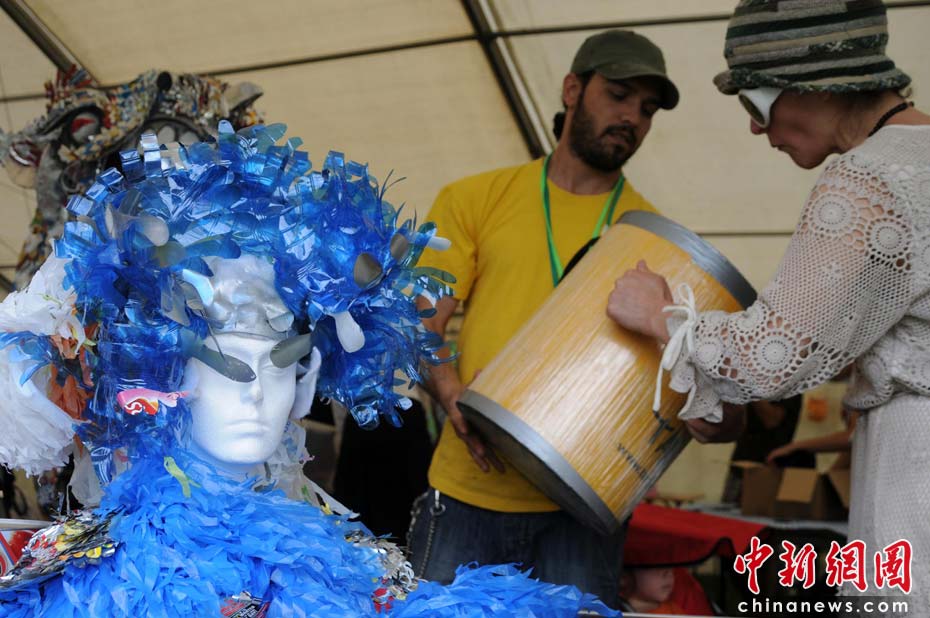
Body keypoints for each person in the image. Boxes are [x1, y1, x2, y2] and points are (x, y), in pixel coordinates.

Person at [0, 124, 618, 616]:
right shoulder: (110, 577)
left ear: (306, 386)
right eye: (230, 367)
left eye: (279, 369)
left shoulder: (324, 554)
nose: (256, 397)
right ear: (168, 382)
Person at [607, 0, 930, 612]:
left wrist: (661, 317)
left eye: (754, 102)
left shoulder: (871, 178)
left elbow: (771, 357)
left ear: (817, 83)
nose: (756, 129)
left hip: (915, 478)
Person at [407, 29, 685, 601]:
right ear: (572, 90)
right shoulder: (475, 198)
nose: (632, 118)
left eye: (647, 109)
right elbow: (420, 322)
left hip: (582, 506)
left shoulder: (653, 239)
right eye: (619, 95)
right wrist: (451, 393)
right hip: (468, 488)